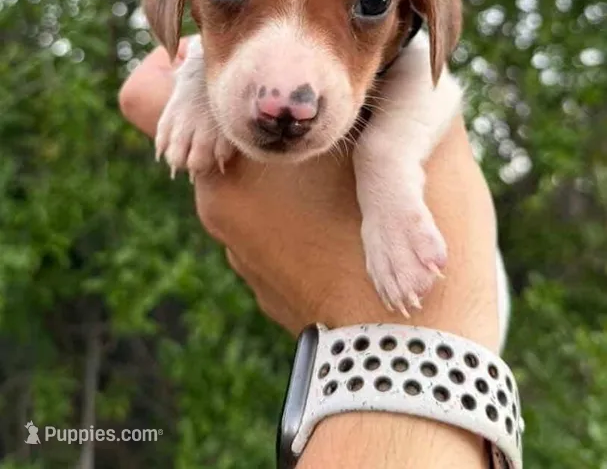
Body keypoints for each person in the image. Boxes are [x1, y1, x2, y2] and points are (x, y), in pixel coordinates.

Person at [119, 38, 503, 469]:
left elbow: (431, 79)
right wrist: (194, 81)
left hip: (462, 327)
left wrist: (386, 164)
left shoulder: (410, 53)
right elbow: (209, 45)